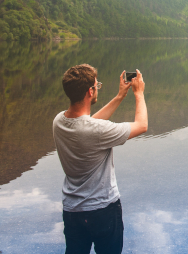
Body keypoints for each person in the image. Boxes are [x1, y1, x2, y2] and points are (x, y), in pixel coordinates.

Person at [53, 64, 148, 254]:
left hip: (72, 210)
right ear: (90, 91)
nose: (98, 88)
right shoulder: (96, 131)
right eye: (97, 86)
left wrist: (120, 96)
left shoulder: (59, 121)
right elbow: (141, 125)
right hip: (103, 209)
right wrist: (139, 94)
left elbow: (89, 122)